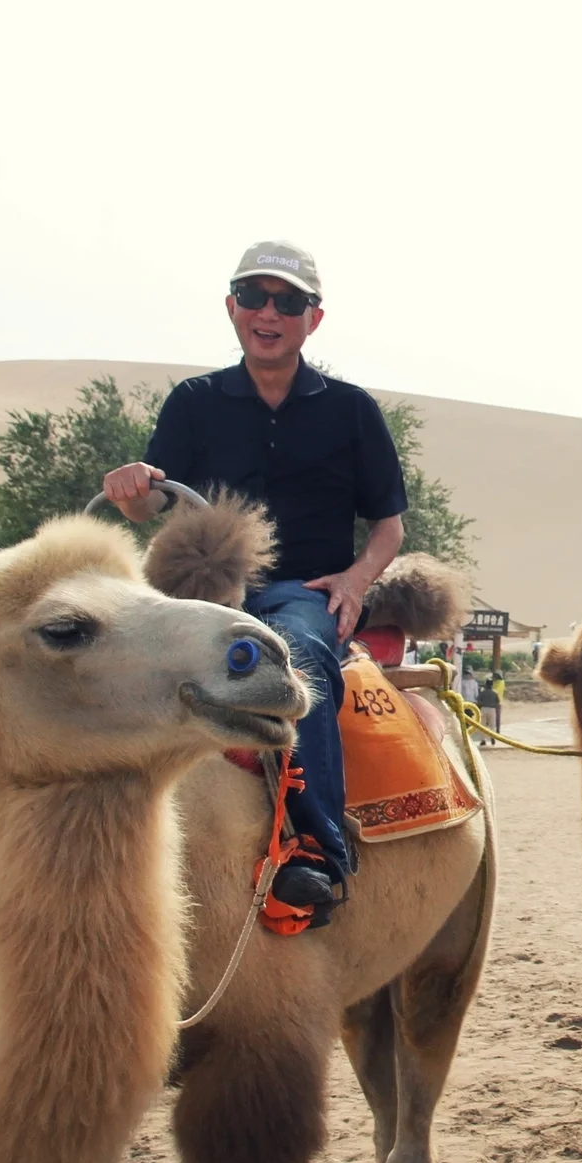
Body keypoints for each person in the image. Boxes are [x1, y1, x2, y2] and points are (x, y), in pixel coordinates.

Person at [103, 239, 409, 932]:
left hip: (304, 590)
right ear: (231, 307)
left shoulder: (351, 410)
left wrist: (356, 580)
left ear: (313, 319)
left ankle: (320, 854)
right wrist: (132, 488)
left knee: (299, 660)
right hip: (204, 591)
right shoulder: (193, 402)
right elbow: (152, 503)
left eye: (288, 301)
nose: (268, 313)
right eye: (254, 296)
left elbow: (389, 525)